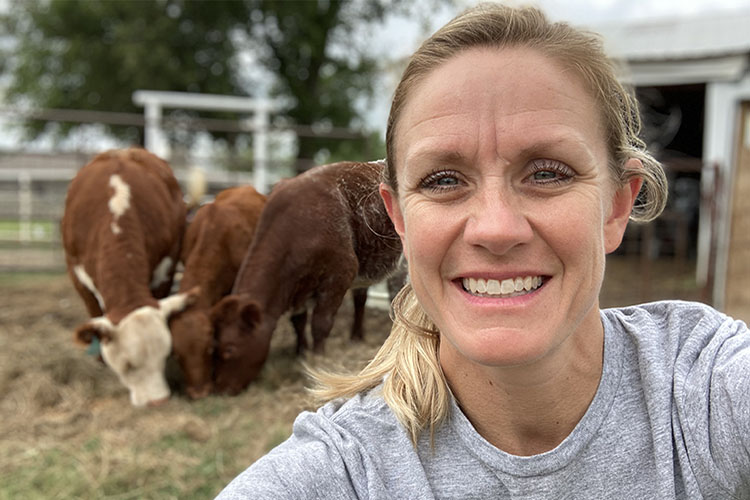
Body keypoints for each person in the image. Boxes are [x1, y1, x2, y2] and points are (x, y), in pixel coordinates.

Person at [216, 4, 750, 499]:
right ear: (398, 218)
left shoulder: (701, 390)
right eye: (444, 180)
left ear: (615, 207)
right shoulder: (346, 470)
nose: (495, 229)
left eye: (547, 173)